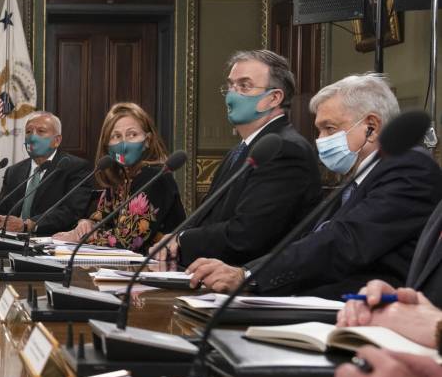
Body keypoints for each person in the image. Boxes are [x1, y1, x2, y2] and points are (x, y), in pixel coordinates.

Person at [187, 73, 442, 297]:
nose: (320, 140)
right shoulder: (357, 177)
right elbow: (310, 240)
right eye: (318, 131)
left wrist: (248, 276)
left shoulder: (410, 168)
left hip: (369, 309)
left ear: (372, 128)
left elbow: (344, 242)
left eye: (329, 129)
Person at [152, 50, 321, 267]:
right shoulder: (241, 150)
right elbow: (211, 218)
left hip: (251, 286)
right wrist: (174, 236)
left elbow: (248, 235)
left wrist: (182, 240)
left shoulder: (284, 149)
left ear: (274, 97)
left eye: (244, 86)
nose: (232, 94)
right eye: (231, 86)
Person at [53, 103, 185, 252]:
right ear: (107, 145)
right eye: (116, 136)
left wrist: (81, 237)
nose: (124, 144)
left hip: (163, 269)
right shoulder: (120, 178)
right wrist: (85, 224)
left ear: (147, 141)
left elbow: (128, 240)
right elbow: (99, 220)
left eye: (132, 135)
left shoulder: (155, 177)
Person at [0, 111, 93, 235]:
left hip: (51, 242)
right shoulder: (14, 171)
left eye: (41, 131)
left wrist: (30, 225)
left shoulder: (75, 167)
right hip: (10, 240)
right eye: (28, 132)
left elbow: (71, 211)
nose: (33, 137)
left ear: (57, 140)